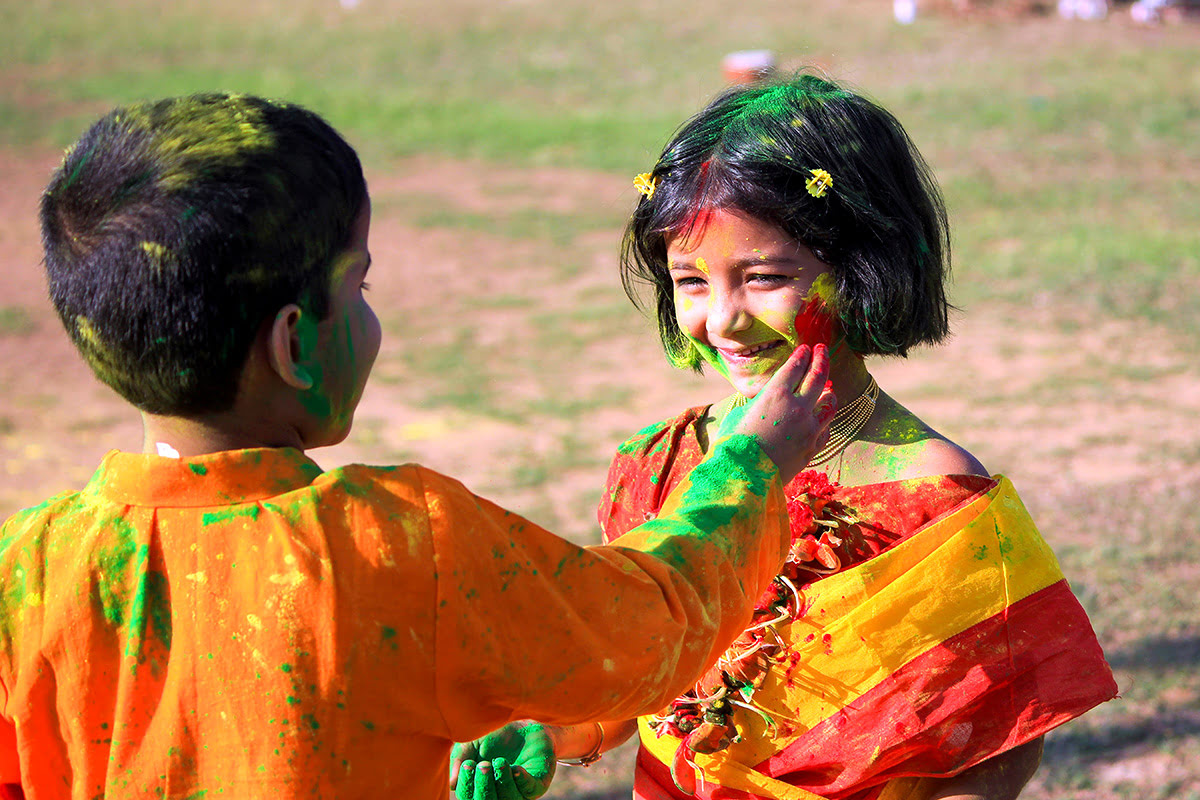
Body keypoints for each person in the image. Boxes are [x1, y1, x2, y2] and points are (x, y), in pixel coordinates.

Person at [0, 93, 843, 800]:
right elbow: (647, 630)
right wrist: (752, 467)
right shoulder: (398, 546)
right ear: (294, 346)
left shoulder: (27, 566)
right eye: (357, 286)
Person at [450, 73, 1118, 800]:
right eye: (691, 281)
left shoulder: (935, 499)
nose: (722, 320)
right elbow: (646, 676)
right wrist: (561, 731)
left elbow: (995, 748)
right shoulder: (658, 467)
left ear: (863, 268)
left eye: (763, 277)